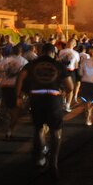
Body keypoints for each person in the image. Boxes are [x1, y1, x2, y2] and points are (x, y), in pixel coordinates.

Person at [16, 43, 73, 177]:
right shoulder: (59, 65)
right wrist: (62, 92)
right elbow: (70, 86)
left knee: (39, 128)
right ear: (53, 53)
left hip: (36, 97)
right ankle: (54, 163)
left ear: (41, 52)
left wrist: (18, 96)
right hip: (53, 98)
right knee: (56, 131)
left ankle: (40, 157)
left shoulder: (32, 64)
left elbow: (20, 78)